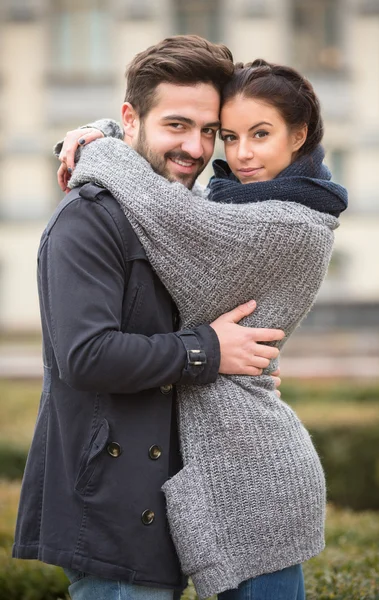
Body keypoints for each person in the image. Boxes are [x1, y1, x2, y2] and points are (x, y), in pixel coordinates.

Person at [56, 58, 347, 600]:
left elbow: (160, 206)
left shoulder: (290, 225)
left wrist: (98, 144)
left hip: (257, 477)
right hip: (221, 468)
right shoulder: (238, 200)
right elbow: (163, 173)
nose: (239, 153)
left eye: (261, 135)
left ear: (299, 135)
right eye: (228, 135)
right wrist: (113, 130)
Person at [12, 36, 286, 600]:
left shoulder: (181, 214)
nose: (195, 147)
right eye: (176, 125)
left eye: (210, 131)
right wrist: (208, 351)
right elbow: (87, 355)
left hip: (178, 504)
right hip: (110, 515)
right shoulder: (87, 219)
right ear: (130, 118)